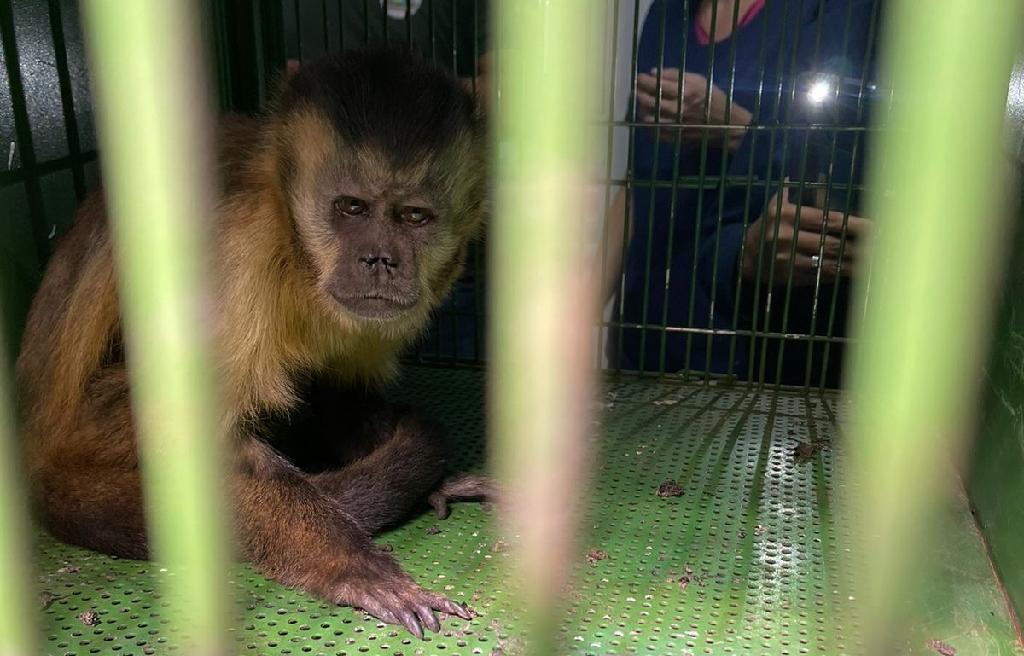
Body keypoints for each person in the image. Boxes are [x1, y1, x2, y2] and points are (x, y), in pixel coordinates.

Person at [604, 0, 878, 384]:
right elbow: (638, 183)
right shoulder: (666, 13)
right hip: (641, 345)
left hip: (744, 359)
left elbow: (838, 169)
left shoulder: (830, 15)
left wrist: (735, 128)